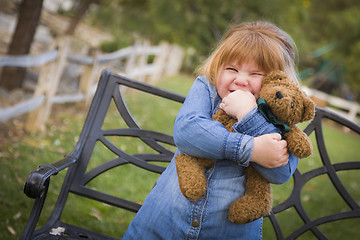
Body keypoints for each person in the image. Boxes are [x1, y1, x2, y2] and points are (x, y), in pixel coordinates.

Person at [121, 21, 300, 240]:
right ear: (217, 67)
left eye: (256, 74)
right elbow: (188, 131)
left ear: (278, 80)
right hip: (161, 224)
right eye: (232, 69)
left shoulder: (283, 114)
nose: (241, 80)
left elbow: (280, 172)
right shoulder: (207, 88)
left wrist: (249, 115)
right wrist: (250, 149)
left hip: (226, 233)